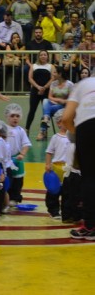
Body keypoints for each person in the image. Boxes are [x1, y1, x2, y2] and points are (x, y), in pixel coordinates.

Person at [62, 75, 95, 240]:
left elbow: (66, 118)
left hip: (87, 127)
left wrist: (77, 135)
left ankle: (90, 226)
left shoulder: (82, 84)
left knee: (90, 178)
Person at [44, 109, 70, 219]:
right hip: (56, 168)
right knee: (54, 190)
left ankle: (66, 211)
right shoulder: (55, 137)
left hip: (69, 168)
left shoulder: (73, 137)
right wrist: (47, 164)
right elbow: (49, 152)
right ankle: (53, 210)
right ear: (59, 122)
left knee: (67, 191)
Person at [36, 66, 74, 141]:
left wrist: (61, 101)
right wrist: (59, 99)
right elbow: (50, 97)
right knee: (45, 101)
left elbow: (71, 99)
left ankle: (43, 130)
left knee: (47, 110)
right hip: (54, 103)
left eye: (54, 72)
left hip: (63, 106)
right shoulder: (53, 84)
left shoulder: (69, 84)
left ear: (60, 74)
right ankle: (46, 118)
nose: (52, 74)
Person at [4, 103, 31, 206]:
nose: (15, 118)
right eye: (12, 116)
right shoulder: (4, 129)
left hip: (17, 159)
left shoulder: (21, 131)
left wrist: (22, 154)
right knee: (8, 179)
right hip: (6, 160)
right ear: (7, 116)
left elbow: (26, 144)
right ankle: (6, 198)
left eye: (17, 116)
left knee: (18, 181)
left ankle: (15, 198)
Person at [25, 50, 54, 136]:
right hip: (35, 90)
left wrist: (44, 87)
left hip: (46, 91)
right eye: (41, 55)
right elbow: (30, 78)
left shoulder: (51, 66)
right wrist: (38, 87)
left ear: (47, 56)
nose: (43, 56)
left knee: (45, 112)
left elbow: (52, 78)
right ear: (39, 56)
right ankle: (27, 129)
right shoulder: (33, 66)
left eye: (45, 55)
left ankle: (43, 131)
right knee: (32, 110)